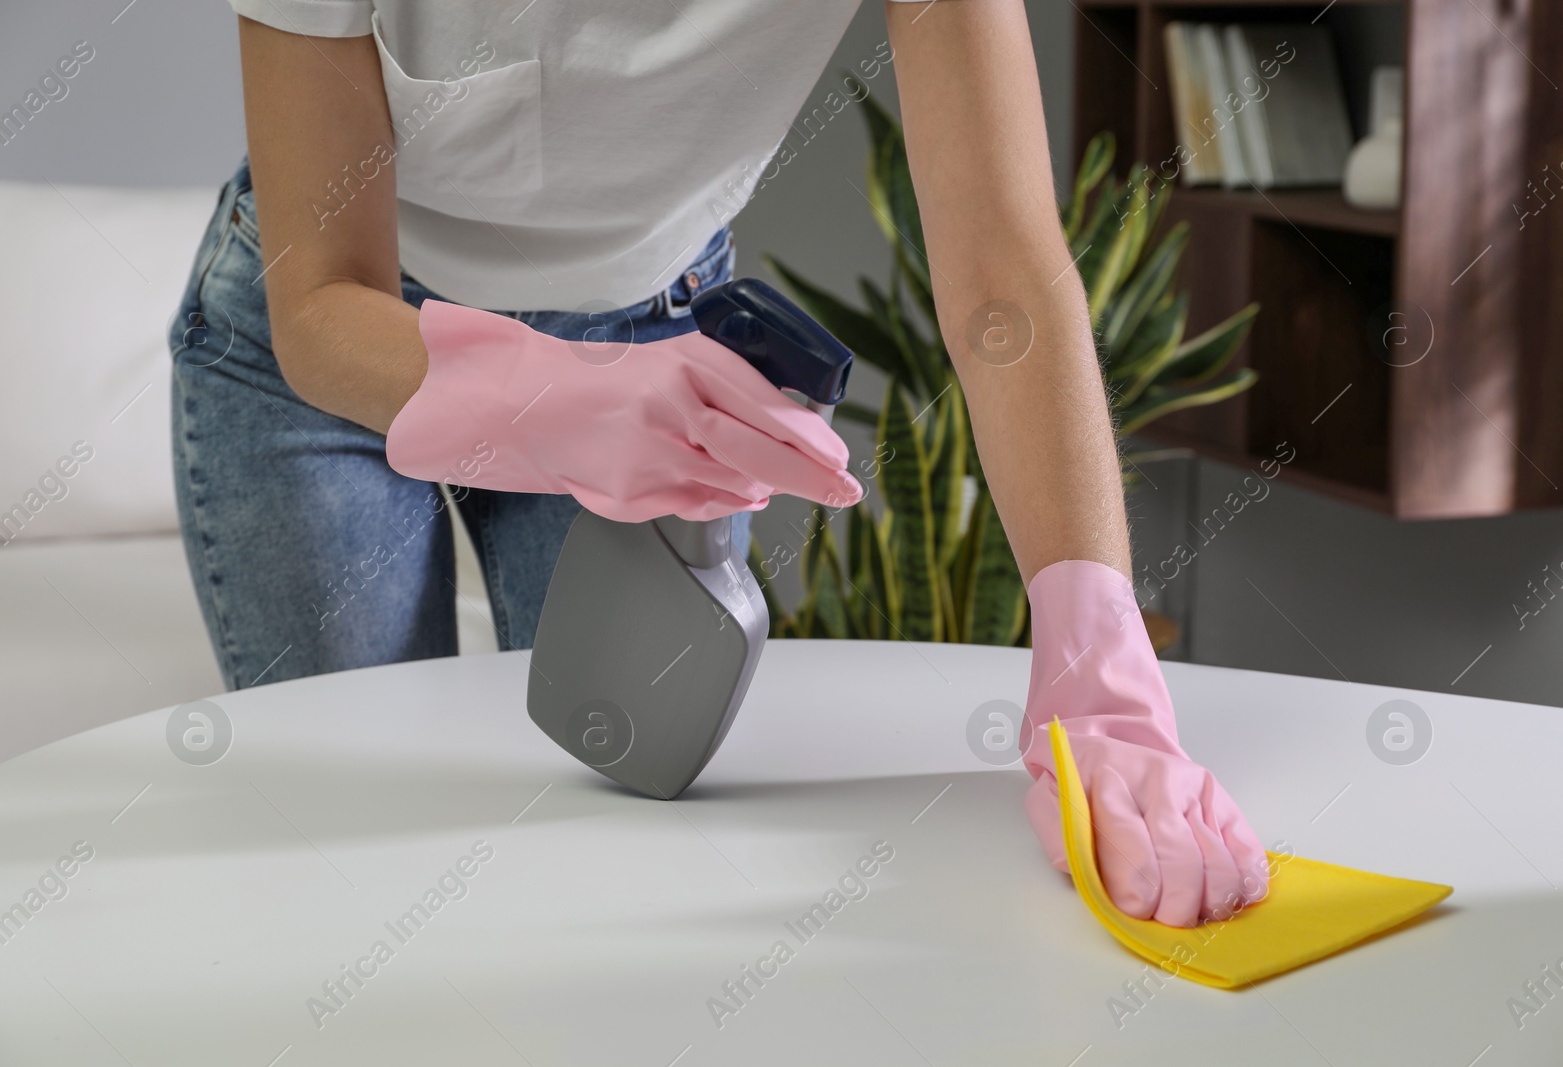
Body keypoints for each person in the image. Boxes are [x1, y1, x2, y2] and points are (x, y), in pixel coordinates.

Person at [170, 0, 1269, 928]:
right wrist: (555, 397)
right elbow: (317, 306)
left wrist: (1095, 644)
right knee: (361, 831)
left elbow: (1002, 268)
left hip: (651, 330)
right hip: (337, 351)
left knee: (618, 810)